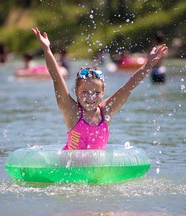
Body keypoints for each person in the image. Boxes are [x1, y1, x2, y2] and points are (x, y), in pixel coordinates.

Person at [32, 27, 168, 150]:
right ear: (76, 92)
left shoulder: (107, 110)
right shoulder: (72, 112)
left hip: (96, 172)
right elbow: (56, 77)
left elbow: (129, 85)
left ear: (103, 92)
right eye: (85, 92)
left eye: (96, 92)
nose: (90, 96)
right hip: (71, 172)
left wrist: (149, 65)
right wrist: (47, 50)